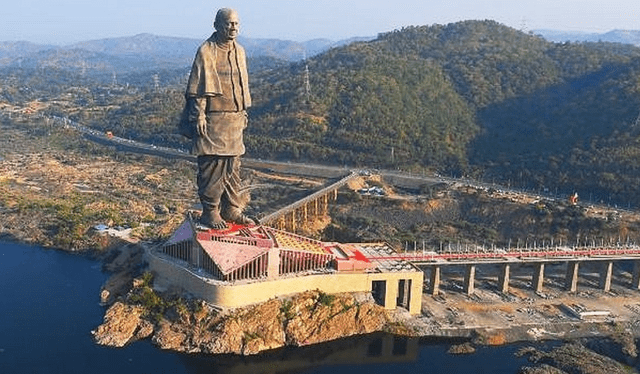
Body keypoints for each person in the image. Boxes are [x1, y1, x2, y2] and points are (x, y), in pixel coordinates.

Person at [183, 8, 257, 229]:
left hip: (234, 120)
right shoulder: (206, 50)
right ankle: (210, 211)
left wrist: (243, 112)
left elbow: (241, 87)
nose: (233, 27)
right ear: (216, 25)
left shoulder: (240, 51)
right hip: (213, 119)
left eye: (236, 23)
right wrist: (198, 115)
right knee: (212, 167)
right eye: (228, 23)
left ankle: (231, 208)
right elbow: (197, 89)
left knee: (233, 167)